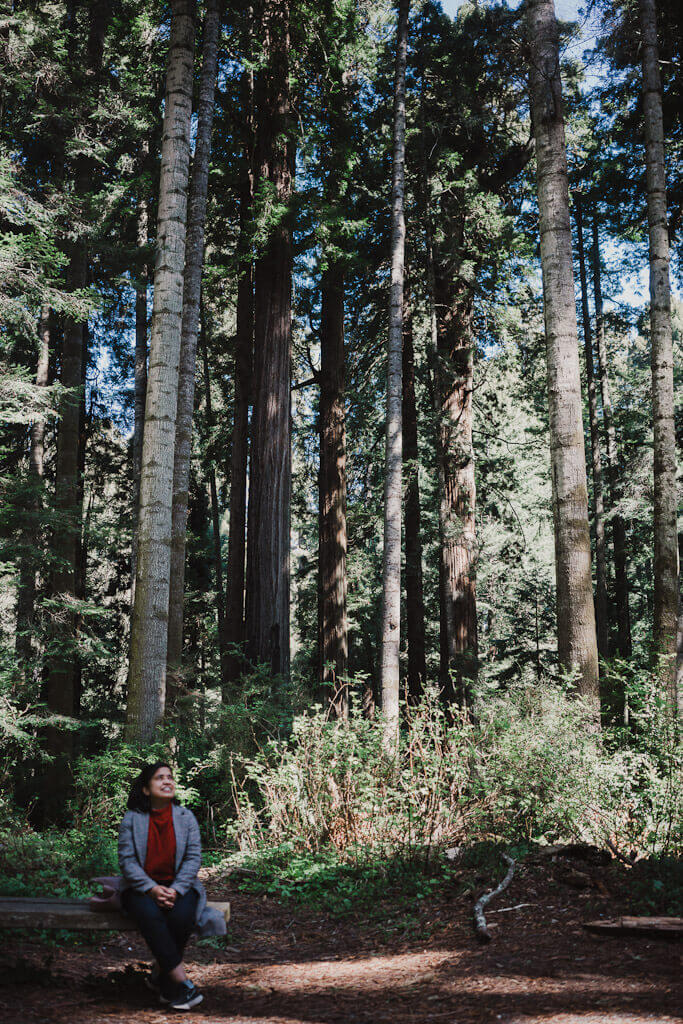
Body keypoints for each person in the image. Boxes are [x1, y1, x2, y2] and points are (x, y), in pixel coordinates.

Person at [118, 761, 225, 1011]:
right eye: (159, 778)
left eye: (170, 777)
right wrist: (152, 889)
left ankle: (161, 980)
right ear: (146, 789)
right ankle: (182, 983)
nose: (167, 781)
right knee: (150, 913)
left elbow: (193, 858)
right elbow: (127, 860)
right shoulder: (132, 819)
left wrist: (175, 889)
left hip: (180, 885)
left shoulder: (186, 817)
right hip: (140, 888)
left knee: (181, 916)